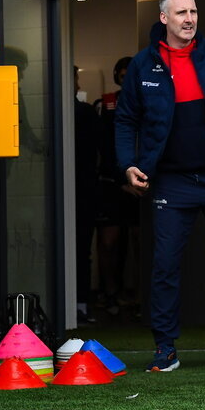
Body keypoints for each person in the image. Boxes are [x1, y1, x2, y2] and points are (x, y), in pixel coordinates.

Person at [114, 0, 205, 372]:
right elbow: (126, 120)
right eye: (180, 13)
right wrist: (128, 164)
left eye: (193, 12)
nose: (189, 19)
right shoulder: (144, 65)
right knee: (166, 264)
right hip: (171, 182)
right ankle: (165, 345)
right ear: (164, 19)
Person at [95, 57, 139, 317]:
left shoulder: (152, 100)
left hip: (143, 183)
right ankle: (110, 294)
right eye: (122, 75)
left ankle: (140, 298)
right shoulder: (106, 103)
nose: (126, 79)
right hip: (112, 183)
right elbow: (101, 147)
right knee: (108, 243)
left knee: (140, 244)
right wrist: (122, 181)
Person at [73, 65, 100, 326]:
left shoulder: (85, 112)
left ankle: (81, 304)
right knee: (80, 249)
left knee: (81, 248)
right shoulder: (84, 112)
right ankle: (79, 305)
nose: (78, 84)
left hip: (85, 188)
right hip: (79, 188)